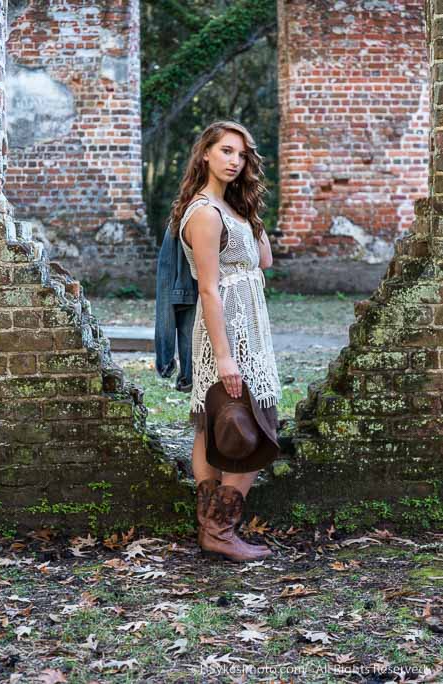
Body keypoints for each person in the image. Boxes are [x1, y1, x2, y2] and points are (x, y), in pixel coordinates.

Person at [168, 120, 282, 562]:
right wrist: (225, 356)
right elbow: (209, 289)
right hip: (228, 331)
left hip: (249, 326)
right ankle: (220, 530)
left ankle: (211, 526)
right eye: (226, 152)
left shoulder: (229, 209)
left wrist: (247, 207)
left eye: (241, 155)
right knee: (253, 423)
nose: (235, 161)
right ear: (205, 155)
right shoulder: (203, 213)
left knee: (215, 421)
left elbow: (265, 260)